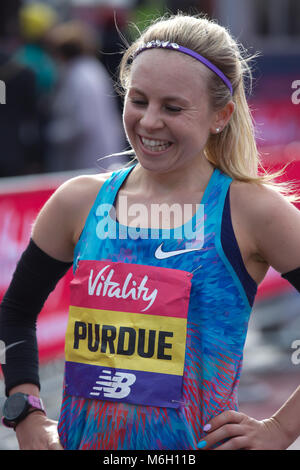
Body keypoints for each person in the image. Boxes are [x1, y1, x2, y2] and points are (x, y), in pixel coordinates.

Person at [1, 13, 300, 451]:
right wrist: (24, 410)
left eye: (173, 107)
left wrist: (281, 429)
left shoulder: (249, 210)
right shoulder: (78, 202)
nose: (150, 122)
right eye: (138, 100)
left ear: (221, 115)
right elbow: (16, 310)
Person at [44, 20, 125, 172]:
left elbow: (84, 122)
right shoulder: (91, 69)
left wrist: (51, 135)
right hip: (102, 153)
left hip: (90, 157)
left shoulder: (79, 76)